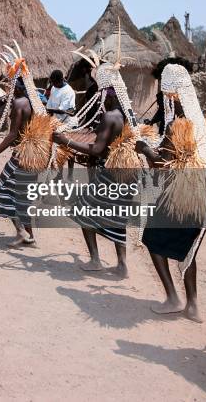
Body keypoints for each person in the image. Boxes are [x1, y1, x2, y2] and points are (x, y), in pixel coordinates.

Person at [134, 63, 206, 322]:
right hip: (199, 200)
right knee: (188, 252)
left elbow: (162, 166)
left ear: (169, 91)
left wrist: (144, 149)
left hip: (177, 200)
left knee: (151, 239)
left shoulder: (176, 126)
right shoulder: (200, 123)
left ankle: (172, 297)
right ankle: (192, 306)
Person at [53, 86, 128, 276]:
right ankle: (122, 264)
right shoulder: (124, 115)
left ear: (107, 96)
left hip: (106, 174)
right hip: (120, 174)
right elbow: (106, 146)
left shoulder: (109, 116)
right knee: (117, 218)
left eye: (100, 96)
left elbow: (97, 149)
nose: (98, 100)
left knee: (82, 212)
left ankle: (95, 260)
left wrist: (66, 141)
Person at [0, 77, 35, 248]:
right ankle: (30, 236)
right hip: (32, 154)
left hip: (20, 155)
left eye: (12, 86)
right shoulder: (34, 102)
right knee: (22, 196)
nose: (10, 89)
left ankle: (22, 232)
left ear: (18, 87)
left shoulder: (19, 103)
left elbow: (12, 135)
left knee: (1, 191)